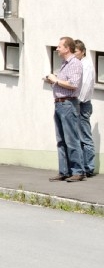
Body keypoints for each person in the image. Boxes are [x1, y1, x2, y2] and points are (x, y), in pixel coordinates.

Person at [45, 37, 86, 181]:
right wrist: (53, 80)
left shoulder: (75, 63)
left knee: (71, 139)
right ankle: (64, 171)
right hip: (59, 103)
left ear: (67, 48)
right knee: (61, 139)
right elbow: (64, 82)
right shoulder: (64, 64)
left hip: (68, 103)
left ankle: (78, 171)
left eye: (59, 46)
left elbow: (73, 84)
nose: (57, 49)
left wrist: (56, 80)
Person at [74, 39, 96, 178]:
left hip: (82, 104)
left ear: (82, 52)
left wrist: (78, 101)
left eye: (75, 51)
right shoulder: (78, 64)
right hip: (79, 102)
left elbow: (85, 85)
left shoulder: (86, 65)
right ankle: (82, 167)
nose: (74, 54)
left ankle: (88, 168)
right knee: (78, 136)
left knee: (85, 137)